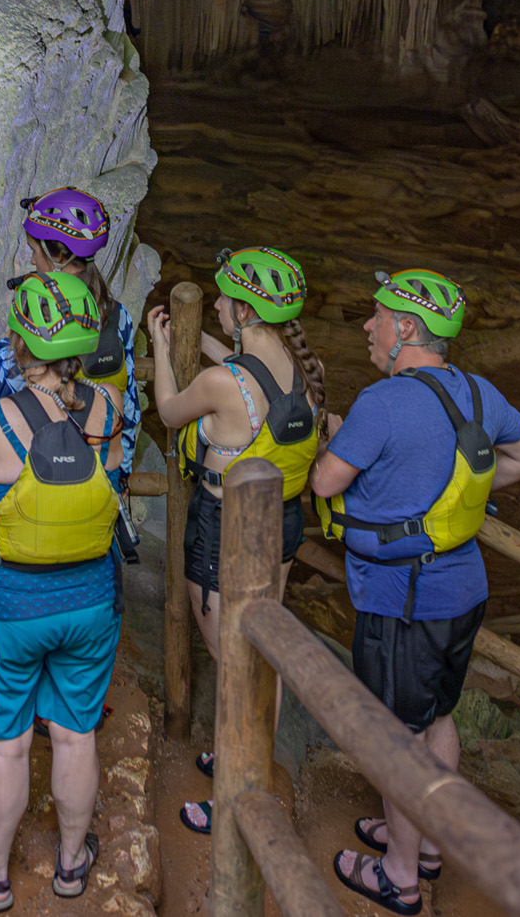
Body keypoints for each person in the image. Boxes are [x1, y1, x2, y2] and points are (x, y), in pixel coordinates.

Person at [309, 268, 520, 916]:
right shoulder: (477, 393)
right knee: (437, 716)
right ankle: (425, 838)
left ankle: (399, 875)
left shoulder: (382, 402)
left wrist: (337, 441)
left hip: (403, 601)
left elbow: (328, 481)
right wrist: (459, 492)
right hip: (463, 588)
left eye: (378, 315)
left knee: (395, 736)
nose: (368, 325)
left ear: (406, 329)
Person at [0, 271, 123, 911]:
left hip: (12, 605)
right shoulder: (108, 408)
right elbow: (107, 476)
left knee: (9, 745)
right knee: (76, 734)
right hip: (91, 599)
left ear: (19, 343)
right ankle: (72, 865)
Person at [146, 247, 329, 836]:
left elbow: (173, 410)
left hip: (224, 530)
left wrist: (162, 345)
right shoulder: (302, 371)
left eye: (224, 299)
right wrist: (205, 344)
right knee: (260, 653)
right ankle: (246, 766)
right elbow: (253, 377)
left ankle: (237, 799)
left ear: (245, 312)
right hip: (281, 525)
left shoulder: (224, 385)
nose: (217, 305)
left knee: (237, 666)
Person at [0, 188, 142, 477]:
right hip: (99, 480)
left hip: (39, 479)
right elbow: (128, 409)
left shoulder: (36, 316)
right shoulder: (118, 317)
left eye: (34, 250)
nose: (32, 261)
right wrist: (119, 478)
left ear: (57, 255)